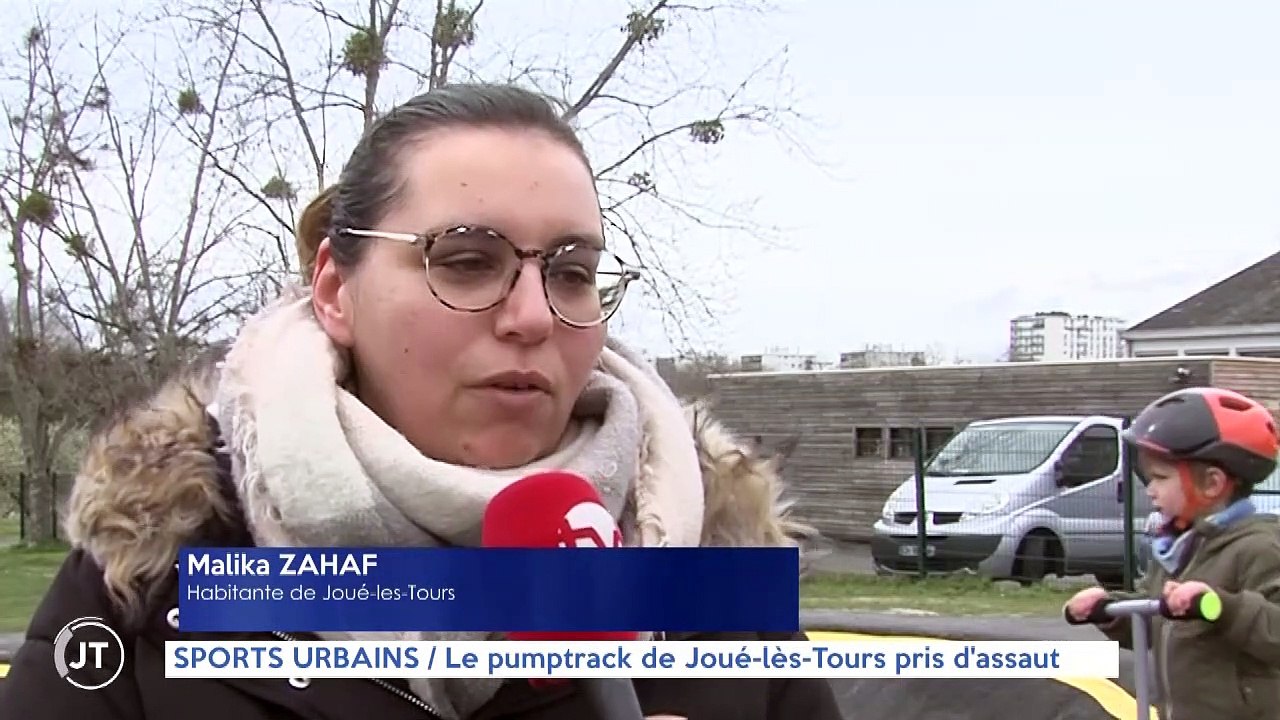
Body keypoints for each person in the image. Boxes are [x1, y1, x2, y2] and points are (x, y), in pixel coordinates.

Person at [0, 83, 842, 720]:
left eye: (572, 271)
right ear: (335, 289)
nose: (533, 316)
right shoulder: (153, 574)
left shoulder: (712, 581)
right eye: (467, 261)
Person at [1063, 386, 1280, 719]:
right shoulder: (1179, 550)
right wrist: (1113, 611)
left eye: (1160, 478)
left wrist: (1222, 608)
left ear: (1212, 484)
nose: (1150, 491)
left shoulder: (1258, 548)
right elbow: (1162, 626)